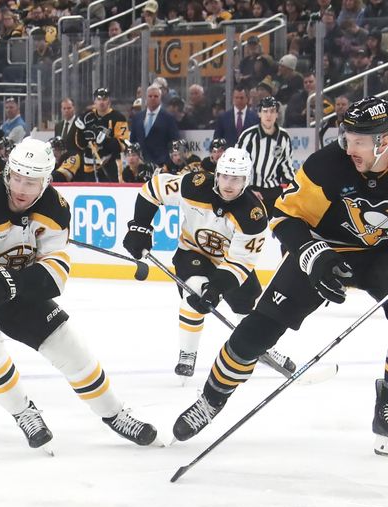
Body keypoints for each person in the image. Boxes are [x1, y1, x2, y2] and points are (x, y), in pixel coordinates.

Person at [171, 97, 388, 458]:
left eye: (358, 141)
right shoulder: (327, 165)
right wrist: (311, 252)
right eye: (346, 137)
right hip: (323, 250)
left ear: (384, 140)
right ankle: (211, 400)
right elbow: (284, 215)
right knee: (259, 328)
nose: (348, 146)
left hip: (384, 255)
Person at [0, 137, 158, 450]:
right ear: (7, 173)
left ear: (47, 181)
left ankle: (114, 413)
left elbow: (55, 276)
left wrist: (12, 282)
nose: (21, 189)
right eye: (16, 178)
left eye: (32, 181)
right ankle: (22, 411)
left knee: (69, 345)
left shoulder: (56, 209)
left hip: (14, 285)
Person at [122, 148, 294, 383]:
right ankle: (187, 353)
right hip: (191, 252)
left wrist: (217, 289)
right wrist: (139, 226)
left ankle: (259, 343)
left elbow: (240, 263)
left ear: (246, 180)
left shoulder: (253, 216)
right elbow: (154, 189)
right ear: (218, 173)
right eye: (225, 176)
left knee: (247, 301)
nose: (228, 184)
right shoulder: (194, 184)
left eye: (236, 178)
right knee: (195, 290)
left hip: (228, 262)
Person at [235, 97, 294, 216]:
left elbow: (286, 165)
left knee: (275, 228)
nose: (269, 115)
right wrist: (247, 190)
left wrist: (292, 189)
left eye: (272, 111)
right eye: (265, 111)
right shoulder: (248, 136)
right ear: (259, 113)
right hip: (251, 189)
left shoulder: (283, 137)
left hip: (274, 190)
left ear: (277, 114)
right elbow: (237, 164)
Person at [74, 87, 129, 182]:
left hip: (111, 166)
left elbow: (122, 145)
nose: (101, 102)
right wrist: (80, 131)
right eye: (98, 99)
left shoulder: (118, 117)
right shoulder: (87, 116)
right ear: (94, 101)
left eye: (104, 99)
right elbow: (80, 145)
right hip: (89, 167)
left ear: (109, 101)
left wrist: (103, 139)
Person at [129, 84, 180, 167]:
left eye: (156, 96)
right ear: (146, 98)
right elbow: (133, 141)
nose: (153, 98)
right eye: (150, 96)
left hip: (162, 163)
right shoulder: (137, 117)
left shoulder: (168, 117)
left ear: (160, 98)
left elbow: (174, 140)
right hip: (142, 163)